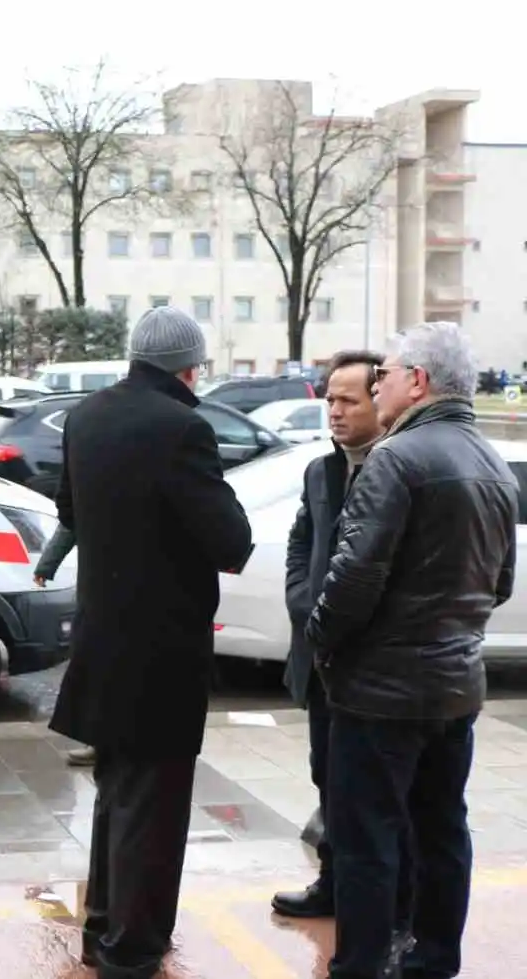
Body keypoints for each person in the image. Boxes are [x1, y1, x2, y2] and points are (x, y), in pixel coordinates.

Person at [307, 322, 517, 979]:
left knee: (367, 840)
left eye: (386, 375)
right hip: (455, 687)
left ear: (418, 382)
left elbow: (353, 577)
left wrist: (321, 640)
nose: (378, 385)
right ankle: (433, 960)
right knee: (442, 830)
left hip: (381, 692)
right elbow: (500, 582)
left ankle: (362, 966)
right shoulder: (492, 464)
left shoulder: (397, 459)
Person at [48, 307, 253, 979]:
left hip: (102, 636)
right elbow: (230, 539)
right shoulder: (183, 427)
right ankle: (133, 950)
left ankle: (103, 926)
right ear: (189, 366)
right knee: (156, 804)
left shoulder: (88, 415)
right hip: (162, 645)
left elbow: (71, 513)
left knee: (116, 791)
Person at [271, 350, 390, 921]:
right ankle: (333, 883)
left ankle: (382, 903)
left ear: (381, 400)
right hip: (322, 657)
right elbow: (301, 543)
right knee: (327, 774)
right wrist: (302, 603)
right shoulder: (321, 470)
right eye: (329, 399)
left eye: (348, 400)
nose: (334, 412)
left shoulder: (394, 469)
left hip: (373, 665)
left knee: (370, 790)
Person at [32, 525, 93, 768]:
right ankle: (100, 741)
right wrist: (47, 564)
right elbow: (71, 519)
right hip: (100, 589)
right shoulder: (91, 487)